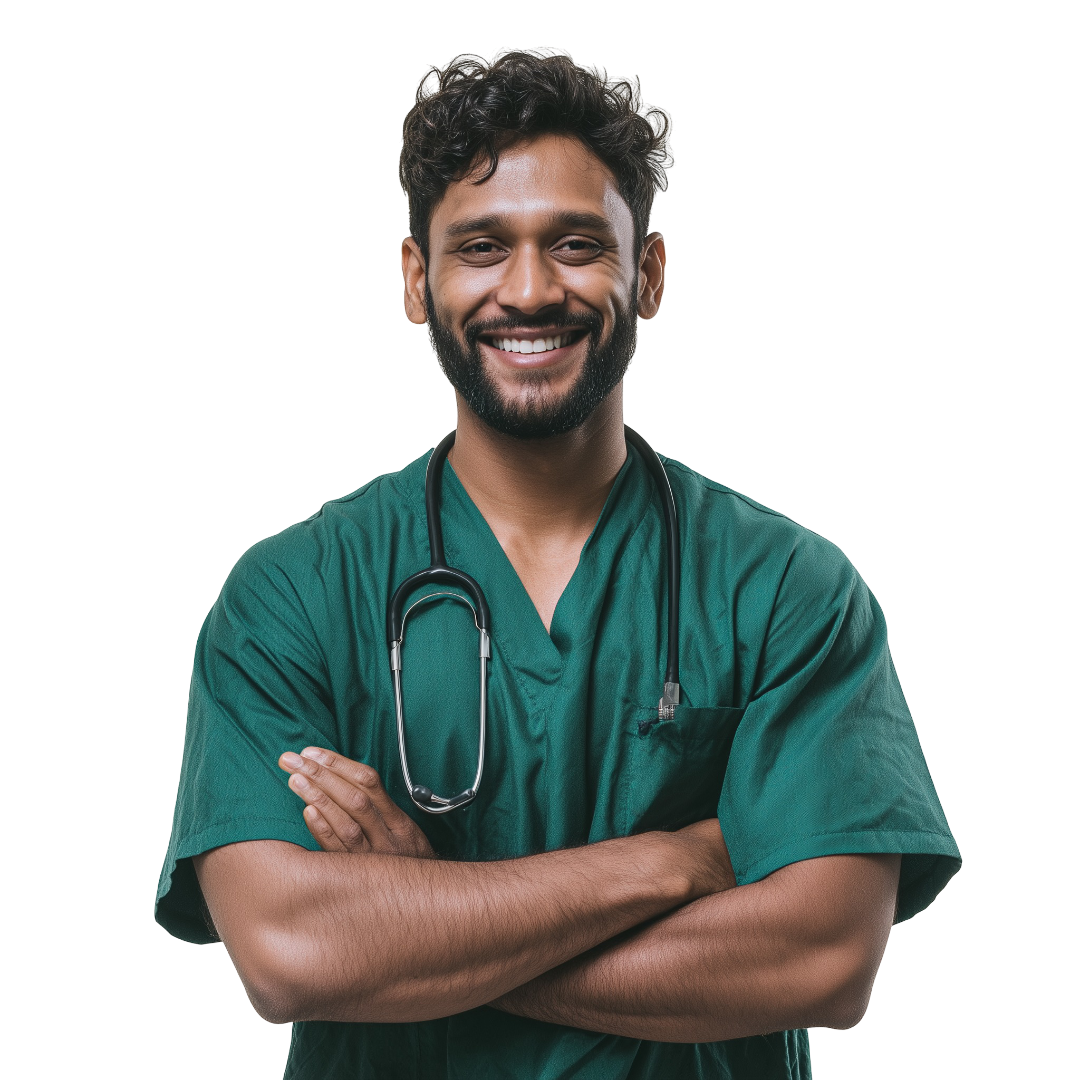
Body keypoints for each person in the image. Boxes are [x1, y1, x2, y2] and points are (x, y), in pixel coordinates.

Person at [156, 45, 961, 1079]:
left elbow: (825, 959)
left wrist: (416, 918)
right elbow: (294, 955)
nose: (529, 290)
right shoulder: (293, 595)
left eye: (576, 243)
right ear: (416, 282)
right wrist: (676, 863)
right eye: (482, 247)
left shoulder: (786, 589)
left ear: (650, 274)